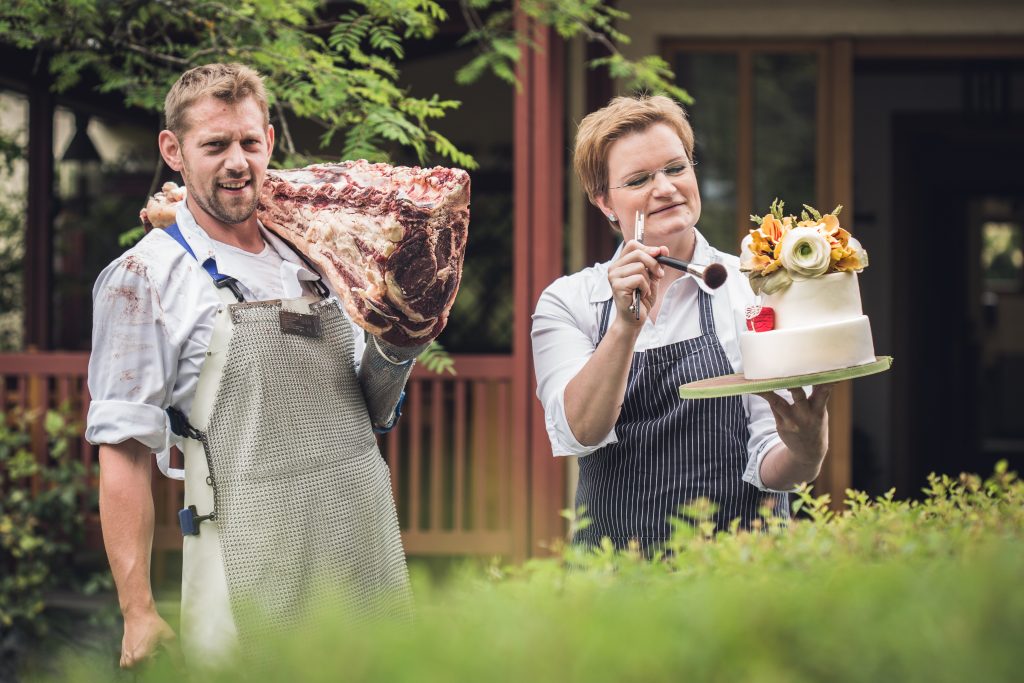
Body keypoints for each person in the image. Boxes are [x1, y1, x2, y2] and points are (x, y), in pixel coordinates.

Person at [86, 63, 421, 669]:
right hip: (249, 557)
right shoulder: (145, 277)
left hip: (362, 537)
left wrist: (401, 342)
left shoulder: (315, 253)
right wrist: (137, 610)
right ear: (173, 151)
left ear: (269, 138)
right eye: (214, 145)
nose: (237, 161)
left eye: (248, 142)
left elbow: (365, 408)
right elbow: (124, 451)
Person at [531, 95, 833, 551]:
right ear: (603, 202)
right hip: (612, 579)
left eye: (676, 168)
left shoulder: (755, 287)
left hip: (736, 574)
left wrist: (806, 450)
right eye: (638, 179)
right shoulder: (569, 302)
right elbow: (580, 431)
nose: (666, 188)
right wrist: (623, 327)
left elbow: (775, 465)